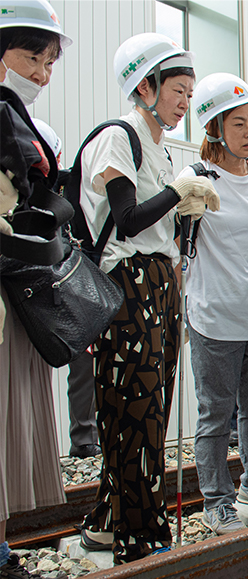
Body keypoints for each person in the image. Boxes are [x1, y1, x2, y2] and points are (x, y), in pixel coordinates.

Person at [77, 33, 216, 563]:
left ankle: (111, 520)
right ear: (145, 86)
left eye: (189, 91)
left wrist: (186, 211)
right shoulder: (120, 137)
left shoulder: (156, 145)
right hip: (127, 284)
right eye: (178, 90)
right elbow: (131, 218)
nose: (185, 101)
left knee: (152, 407)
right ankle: (141, 536)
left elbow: (159, 223)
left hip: (158, 282)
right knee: (132, 407)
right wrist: (179, 192)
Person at [179, 73, 248, 535]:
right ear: (213, 129)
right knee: (214, 414)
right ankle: (216, 500)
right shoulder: (196, 179)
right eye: (240, 124)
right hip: (214, 318)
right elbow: (177, 247)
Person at [0, 0, 71, 579]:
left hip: (16, 294)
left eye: (49, 62)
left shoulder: (18, 120)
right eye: (32, 57)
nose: (43, 74)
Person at [32, 117, 100, 459]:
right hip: (28, 285)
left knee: (84, 362)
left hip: (69, 282)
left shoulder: (69, 185)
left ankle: (86, 437)